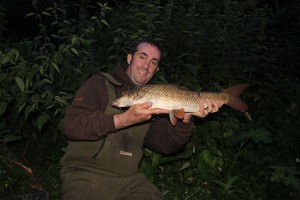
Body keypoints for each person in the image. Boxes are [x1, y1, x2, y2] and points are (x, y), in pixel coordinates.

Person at [60, 39, 223, 200]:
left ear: (156, 70)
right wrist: (123, 119)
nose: (146, 66)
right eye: (142, 57)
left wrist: (186, 117)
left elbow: (165, 144)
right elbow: (72, 124)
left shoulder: (156, 98)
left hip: (129, 180)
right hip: (84, 173)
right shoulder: (101, 83)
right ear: (130, 58)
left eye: (153, 62)